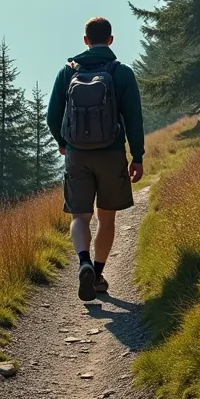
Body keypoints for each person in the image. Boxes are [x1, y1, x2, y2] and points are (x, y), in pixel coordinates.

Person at [45, 16, 145, 302]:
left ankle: (83, 262)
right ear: (111, 40)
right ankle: (98, 274)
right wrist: (136, 156)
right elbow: (134, 119)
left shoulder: (67, 72)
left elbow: (52, 116)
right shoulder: (121, 72)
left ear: (85, 40)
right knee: (106, 217)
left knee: (79, 215)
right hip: (112, 153)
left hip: (77, 155)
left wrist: (63, 143)